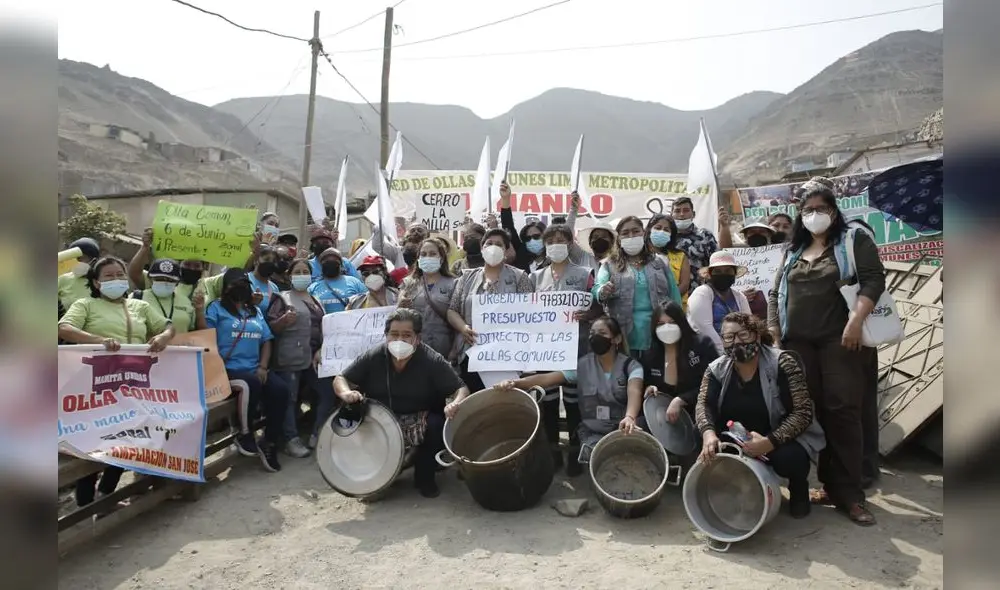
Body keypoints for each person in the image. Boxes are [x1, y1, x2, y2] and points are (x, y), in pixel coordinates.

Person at [768, 177, 886, 526]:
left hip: (840, 340)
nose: (815, 214)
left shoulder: (853, 240)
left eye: (822, 208)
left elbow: (873, 280)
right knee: (811, 413)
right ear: (800, 214)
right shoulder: (792, 251)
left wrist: (855, 320)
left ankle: (851, 495)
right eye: (808, 209)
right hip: (797, 344)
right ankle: (829, 485)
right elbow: (775, 294)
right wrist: (774, 331)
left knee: (844, 412)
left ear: (834, 211)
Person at [58, 256, 175, 507]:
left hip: (135, 387)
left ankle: (106, 494)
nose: (116, 279)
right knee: (91, 445)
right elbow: (64, 328)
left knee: (131, 440)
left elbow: (167, 326)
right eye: (108, 276)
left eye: (120, 275)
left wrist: (164, 337)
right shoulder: (86, 304)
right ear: (97, 283)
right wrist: (98, 340)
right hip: (94, 388)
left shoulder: (139, 306)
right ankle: (84, 505)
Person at [695, 312, 826, 519]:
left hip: (777, 437)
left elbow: (803, 413)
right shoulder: (716, 369)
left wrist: (769, 442)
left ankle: (798, 489)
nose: (736, 342)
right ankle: (733, 485)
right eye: (729, 337)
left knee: (790, 458)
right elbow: (704, 404)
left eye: (743, 335)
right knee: (702, 437)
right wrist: (708, 434)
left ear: (757, 335)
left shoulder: (783, 363)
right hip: (736, 436)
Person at [334, 308, 471, 498]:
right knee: (350, 416)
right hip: (379, 419)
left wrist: (455, 403)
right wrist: (346, 393)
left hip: (419, 419)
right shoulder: (374, 356)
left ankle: (425, 477)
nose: (399, 340)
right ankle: (377, 474)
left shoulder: (432, 360)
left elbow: (461, 389)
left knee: (436, 424)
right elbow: (341, 379)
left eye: (406, 335)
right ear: (386, 335)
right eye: (394, 334)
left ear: (418, 338)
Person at [494, 316, 644, 464]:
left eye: (602, 333)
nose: (595, 337)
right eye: (592, 333)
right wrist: (514, 383)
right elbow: (546, 379)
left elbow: (634, 390)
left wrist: (630, 417)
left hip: (623, 429)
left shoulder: (632, 367)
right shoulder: (582, 366)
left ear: (616, 339)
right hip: (593, 434)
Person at [528, 223, 601, 475]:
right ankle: (552, 454)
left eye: (561, 239)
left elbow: (598, 306)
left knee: (572, 405)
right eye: (550, 241)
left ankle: (574, 454)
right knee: (547, 404)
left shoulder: (585, 273)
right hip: (545, 350)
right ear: (545, 246)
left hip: (576, 348)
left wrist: (587, 313)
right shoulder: (535, 277)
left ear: (570, 243)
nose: (555, 244)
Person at [200, 269, 289, 472]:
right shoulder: (215, 308)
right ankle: (244, 433)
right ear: (224, 288)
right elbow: (205, 332)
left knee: (281, 390)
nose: (240, 286)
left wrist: (263, 367)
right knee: (250, 384)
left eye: (244, 283)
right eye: (234, 283)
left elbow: (266, 340)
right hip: (226, 370)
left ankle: (269, 442)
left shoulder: (254, 311)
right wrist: (199, 311)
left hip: (255, 368)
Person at [447, 228, 534, 392]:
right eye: (489, 243)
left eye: (499, 244)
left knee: (504, 404)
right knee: (476, 405)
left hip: (507, 355)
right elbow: (452, 310)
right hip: (471, 353)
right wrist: (463, 328)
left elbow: (530, 314)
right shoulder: (466, 278)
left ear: (506, 251)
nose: (493, 247)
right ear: (482, 248)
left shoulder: (519, 277)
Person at [592, 216, 682, 360]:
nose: (631, 236)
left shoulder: (660, 262)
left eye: (635, 231)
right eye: (625, 233)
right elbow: (597, 288)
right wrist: (603, 291)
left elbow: (674, 296)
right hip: (623, 336)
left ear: (644, 233)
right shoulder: (609, 264)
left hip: (659, 332)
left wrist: (679, 324)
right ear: (619, 239)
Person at [266, 258, 325, 458]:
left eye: (304, 272)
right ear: (289, 276)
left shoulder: (316, 299)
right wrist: (284, 321)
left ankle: (318, 432)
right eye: (297, 272)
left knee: (326, 392)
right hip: (290, 356)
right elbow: (271, 327)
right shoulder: (282, 298)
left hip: (314, 356)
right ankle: (291, 439)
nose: (301, 276)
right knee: (290, 399)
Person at [642, 300, 718, 451]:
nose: (666, 328)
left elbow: (714, 383)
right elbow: (645, 384)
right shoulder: (650, 355)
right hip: (664, 416)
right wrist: (650, 389)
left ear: (681, 322)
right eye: (660, 324)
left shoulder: (702, 345)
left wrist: (682, 399)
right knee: (639, 427)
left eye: (672, 322)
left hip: (700, 410)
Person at [398, 238, 458, 359]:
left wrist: (455, 349)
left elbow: (460, 320)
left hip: (444, 349)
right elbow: (398, 316)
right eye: (423, 254)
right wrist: (400, 304)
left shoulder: (454, 284)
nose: (427, 257)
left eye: (433, 254)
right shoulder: (408, 284)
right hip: (414, 350)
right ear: (418, 259)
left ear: (441, 258)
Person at [688, 250, 752, 355]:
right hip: (708, 354)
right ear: (709, 275)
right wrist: (725, 353)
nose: (723, 275)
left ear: (734, 274)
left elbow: (749, 326)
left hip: (737, 351)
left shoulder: (739, 297)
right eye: (718, 271)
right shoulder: (702, 293)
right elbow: (703, 328)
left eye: (728, 271)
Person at [127, 228, 205, 303]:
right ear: (179, 264)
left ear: (203, 268)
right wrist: (145, 247)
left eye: (197, 266)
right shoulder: (160, 279)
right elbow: (134, 273)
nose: (192, 268)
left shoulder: (205, 287)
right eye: (187, 264)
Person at [130, 258, 196, 334]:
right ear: (150, 279)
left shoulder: (186, 302)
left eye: (170, 280)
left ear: (177, 282)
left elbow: (192, 329)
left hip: (179, 345)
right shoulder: (137, 297)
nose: (164, 282)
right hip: (145, 345)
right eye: (159, 279)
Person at [671, 197, 720, 292]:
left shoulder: (705, 236)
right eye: (677, 211)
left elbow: (717, 265)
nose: (681, 214)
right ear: (671, 215)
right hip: (673, 296)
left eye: (686, 210)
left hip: (700, 294)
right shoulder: (667, 238)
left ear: (693, 214)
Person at [646, 214, 691, 309]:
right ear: (650, 229)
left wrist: (666, 302)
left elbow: (684, 284)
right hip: (646, 307)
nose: (661, 232)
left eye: (666, 230)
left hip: (674, 309)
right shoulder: (640, 255)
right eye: (658, 228)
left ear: (671, 235)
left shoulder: (680, 256)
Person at [737, 221, 777, 321]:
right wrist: (740, 296)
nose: (757, 234)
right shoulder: (736, 257)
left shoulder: (780, 255)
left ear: (769, 235)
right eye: (752, 232)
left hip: (776, 314)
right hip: (748, 317)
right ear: (745, 236)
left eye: (761, 231)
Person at [308, 248, 366, 314]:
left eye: (334, 261)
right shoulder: (313, 287)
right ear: (321, 266)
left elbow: (367, 303)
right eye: (326, 261)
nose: (330, 263)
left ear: (341, 265)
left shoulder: (355, 282)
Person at [58, 237, 101, 312]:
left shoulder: (101, 283)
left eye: (80, 258)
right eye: (72, 258)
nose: (75, 262)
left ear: (94, 261)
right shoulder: (63, 279)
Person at [564, 191, 603, 271]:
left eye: (603, 236)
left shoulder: (616, 259)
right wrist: (573, 209)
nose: (599, 240)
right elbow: (567, 235)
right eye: (595, 237)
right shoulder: (582, 255)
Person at [248, 245, 281, 311]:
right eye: (266, 259)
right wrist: (251, 303)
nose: (270, 263)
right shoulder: (245, 279)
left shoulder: (274, 288)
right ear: (256, 261)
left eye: (273, 261)